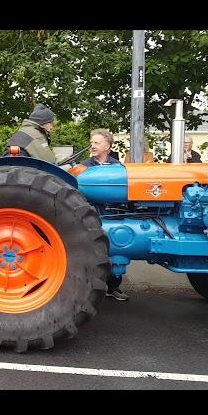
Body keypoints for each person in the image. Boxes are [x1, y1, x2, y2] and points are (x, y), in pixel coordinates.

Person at [80, 129, 129, 302]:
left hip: (112, 214)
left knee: (115, 250)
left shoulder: (118, 167)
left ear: (107, 146)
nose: (92, 146)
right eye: (91, 143)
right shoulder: (84, 166)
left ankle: (113, 287)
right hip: (91, 213)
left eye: (96, 143)